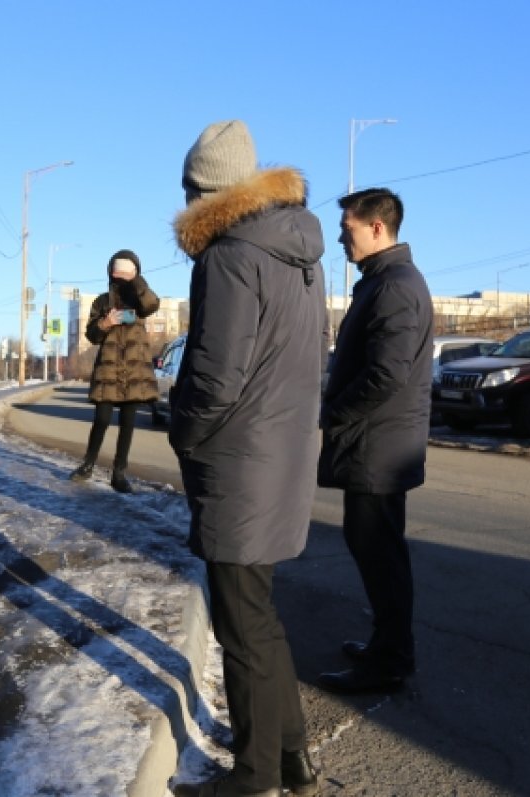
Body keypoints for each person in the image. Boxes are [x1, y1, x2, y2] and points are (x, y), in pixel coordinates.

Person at [169, 120, 326, 797]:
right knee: (259, 614)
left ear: (206, 189)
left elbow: (213, 374)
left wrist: (184, 431)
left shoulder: (230, 254)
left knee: (242, 625)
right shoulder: (299, 251)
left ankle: (255, 775)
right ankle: (292, 758)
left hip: (239, 458)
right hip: (282, 452)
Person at [316, 188, 433, 695]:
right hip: (378, 444)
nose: (342, 237)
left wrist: (334, 414)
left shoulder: (395, 287)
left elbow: (386, 374)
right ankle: (388, 647)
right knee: (377, 552)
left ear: (378, 228)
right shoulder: (384, 281)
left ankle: (389, 662)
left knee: (380, 555)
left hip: (377, 447)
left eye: (348, 229)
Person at [69, 249, 160, 493]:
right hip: (108, 371)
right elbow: (91, 335)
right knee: (101, 420)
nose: (120, 275)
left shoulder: (140, 301)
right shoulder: (101, 301)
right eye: (117, 270)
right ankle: (87, 465)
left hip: (134, 371)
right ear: (109, 273)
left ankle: (119, 474)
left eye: (127, 270)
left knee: (128, 424)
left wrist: (135, 280)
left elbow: (153, 304)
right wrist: (105, 323)